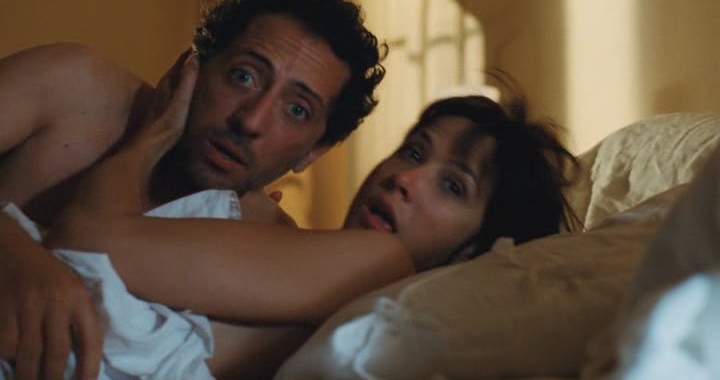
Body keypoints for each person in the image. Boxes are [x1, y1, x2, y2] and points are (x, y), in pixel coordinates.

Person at [34, 63, 580, 377]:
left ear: (474, 251)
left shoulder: (382, 262)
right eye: (413, 151)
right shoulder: (285, 242)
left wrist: (150, 138)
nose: (404, 178)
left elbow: (85, 239)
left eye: (453, 185)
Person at [0, 0, 386, 378]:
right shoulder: (73, 89)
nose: (251, 120)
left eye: (297, 110)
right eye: (244, 76)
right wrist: (11, 249)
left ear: (312, 153)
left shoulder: (267, 249)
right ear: (192, 66)